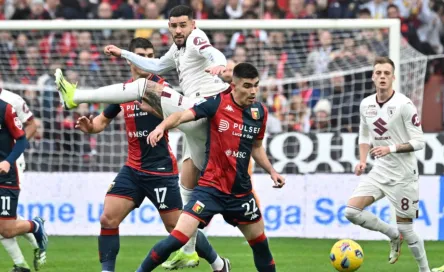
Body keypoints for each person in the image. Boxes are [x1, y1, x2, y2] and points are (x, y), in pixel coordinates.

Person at [55, 5, 230, 269]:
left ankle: (75, 97)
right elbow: (156, 65)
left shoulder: (193, 40)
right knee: (187, 188)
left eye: (183, 24)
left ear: (193, 24)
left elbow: (211, 51)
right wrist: (122, 52)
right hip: (154, 154)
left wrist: (219, 64)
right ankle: (202, 258)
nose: (178, 30)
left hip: (200, 120)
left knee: (142, 87)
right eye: (173, 25)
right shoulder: (175, 51)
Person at [137, 62, 285, 272]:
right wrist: (161, 126)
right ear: (233, 85)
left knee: (261, 247)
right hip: (210, 189)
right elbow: (181, 115)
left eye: (256, 85)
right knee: (176, 238)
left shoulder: (259, 113)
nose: (253, 91)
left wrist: (272, 171)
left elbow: (257, 147)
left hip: (240, 193)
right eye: (247, 86)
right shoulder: (216, 104)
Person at [344, 57, 429, 272]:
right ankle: (392, 235)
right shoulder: (366, 104)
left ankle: (424, 270)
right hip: (380, 170)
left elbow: (419, 141)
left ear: (393, 77)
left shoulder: (404, 105)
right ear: (373, 77)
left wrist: (389, 149)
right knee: (351, 211)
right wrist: (362, 161)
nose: (382, 76)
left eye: (386, 73)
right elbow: (364, 136)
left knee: (407, 230)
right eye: (378, 73)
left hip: (403, 174)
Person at [0, 89, 45, 271]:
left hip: (10, 166)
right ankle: (22, 264)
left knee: (6, 225)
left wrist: (10, 159)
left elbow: (31, 126)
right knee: (5, 223)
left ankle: (35, 227)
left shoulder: (11, 102)